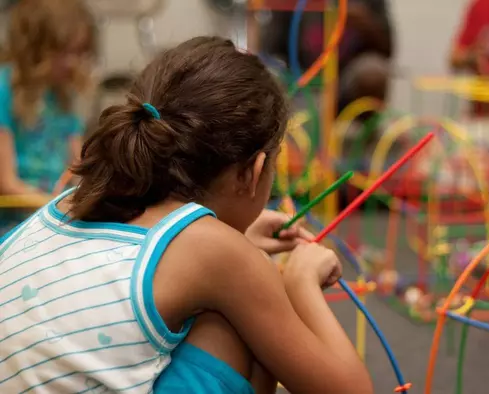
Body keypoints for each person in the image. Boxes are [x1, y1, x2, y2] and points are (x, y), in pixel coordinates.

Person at [0, 36, 373, 394]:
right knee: (235, 323)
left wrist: (238, 238)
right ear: (255, 171)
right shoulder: (219, 254)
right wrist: (299, 282)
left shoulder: (77, 190)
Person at [0, 0, 96, 235]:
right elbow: (6, 183)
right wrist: (59, 208)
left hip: (52, 213)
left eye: (80, 52)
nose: (73, 63)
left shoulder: (63, 96)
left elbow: (80, 169)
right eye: (65, 52)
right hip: (14, 224)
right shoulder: (4, 90)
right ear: (36, 48)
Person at [260, 0, 394, 116]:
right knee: (267, 74)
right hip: (301, 80)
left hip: (348, 81)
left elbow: (387, 49)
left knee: (372, 72)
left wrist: (364, 22)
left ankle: (361, 137)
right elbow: (270, 50)